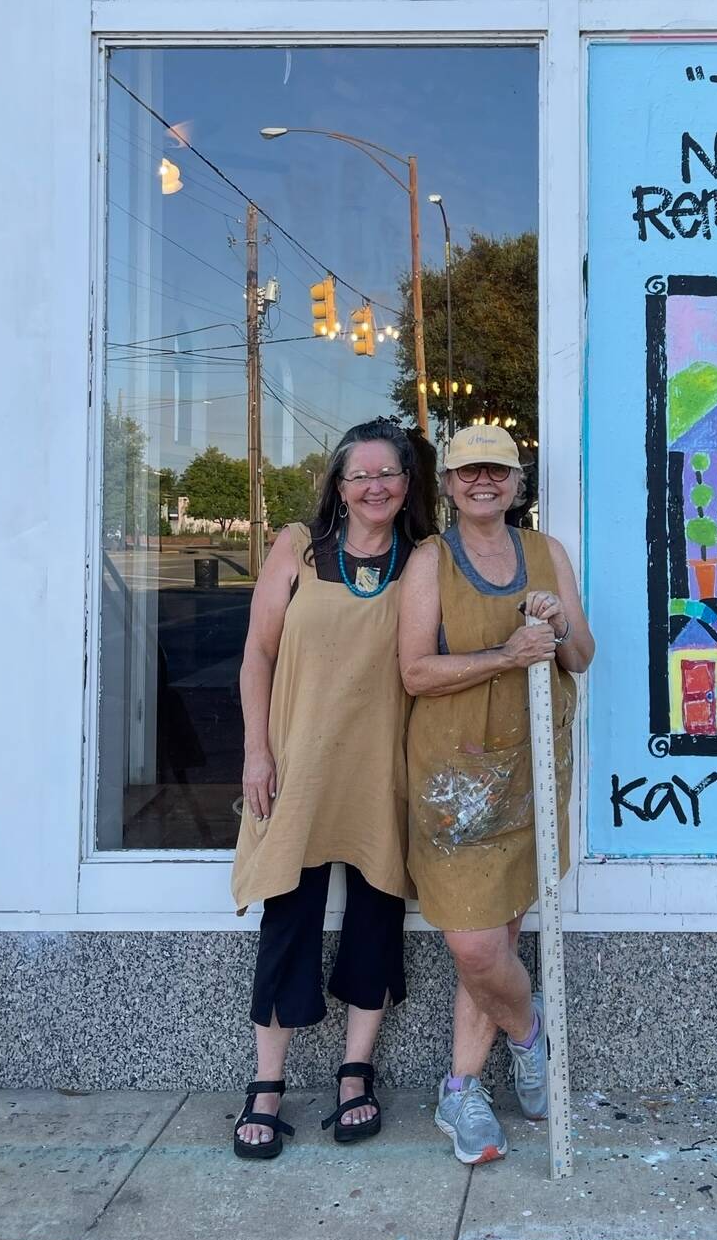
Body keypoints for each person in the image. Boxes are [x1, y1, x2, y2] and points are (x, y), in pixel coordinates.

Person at [229, 417, 437, 1160]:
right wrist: (256, 751)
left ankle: (356, 1072)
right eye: (361, 475)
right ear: (339, 487)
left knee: (378, 914)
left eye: (390, 473)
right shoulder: (296, 549)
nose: (376, 485)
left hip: (383, 768)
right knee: (289, 911)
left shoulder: (422, 562)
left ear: (408, 485)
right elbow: (257, 655)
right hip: (298, 765)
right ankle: (267, 1083)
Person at [398, 425, 594, 1165]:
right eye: (469, 471)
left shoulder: (546, 555)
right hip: (452, 780)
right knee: (475, 945)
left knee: (500, 937)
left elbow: (580, 656)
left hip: (530, 769)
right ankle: (528, 1031)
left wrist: (556, 623)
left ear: (518, 484)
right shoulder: (428, 561)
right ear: (447, 485)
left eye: (499, 471)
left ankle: (460, 1090)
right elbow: (414, 672)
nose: (485, 481)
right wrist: (504, 655)